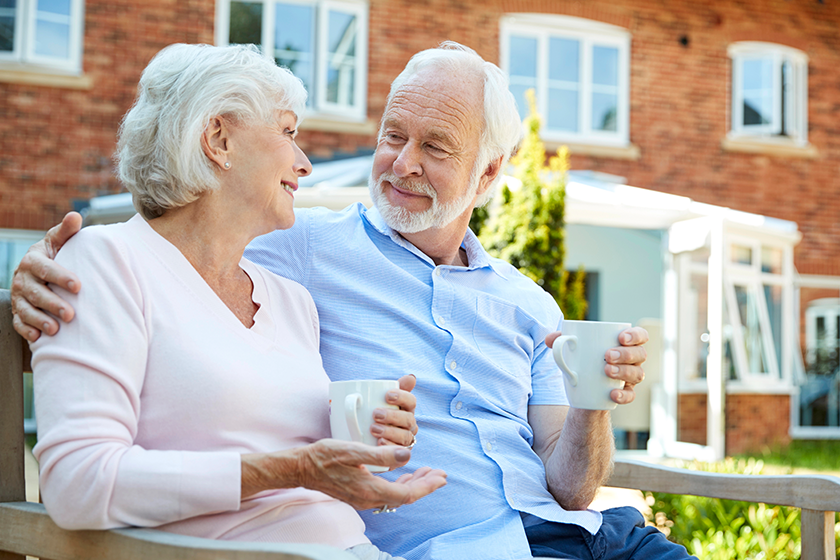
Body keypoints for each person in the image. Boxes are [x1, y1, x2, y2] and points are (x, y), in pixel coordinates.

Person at [13, 42, 694, 560]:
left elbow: (571, 487)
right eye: (394, 136)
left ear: (488, 173)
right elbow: (176, 235)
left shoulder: (525, 305)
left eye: (434, 147)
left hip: (594, 532)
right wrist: (40, 271)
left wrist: (592, 398)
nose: (400, 164)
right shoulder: (298, 247)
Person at [23, 43, 446, 560]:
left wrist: (369, 438)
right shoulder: (106, 261)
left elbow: (300, 458)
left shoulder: (291, 301)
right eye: (288, 132)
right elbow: (78, 485)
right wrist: (293, 468)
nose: (305, 163)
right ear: (218, 138)